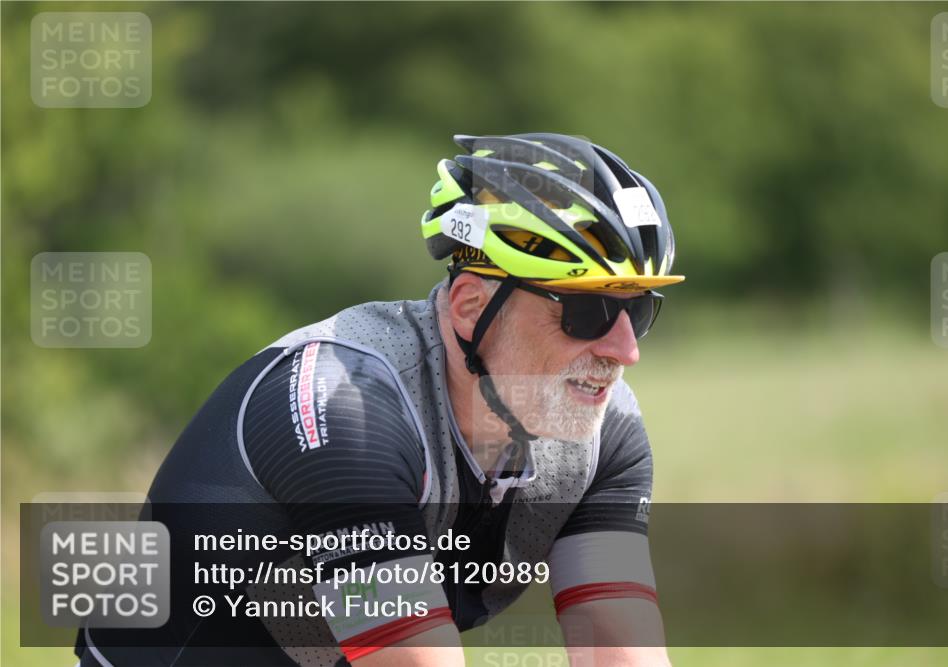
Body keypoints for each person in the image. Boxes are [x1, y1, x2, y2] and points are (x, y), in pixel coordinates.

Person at [76, 133, 684, 666]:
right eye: (589, 309)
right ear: (472, 308)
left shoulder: (607, 432)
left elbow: (620, 649)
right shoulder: (347, 409)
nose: (624, 350)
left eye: (638, 308)